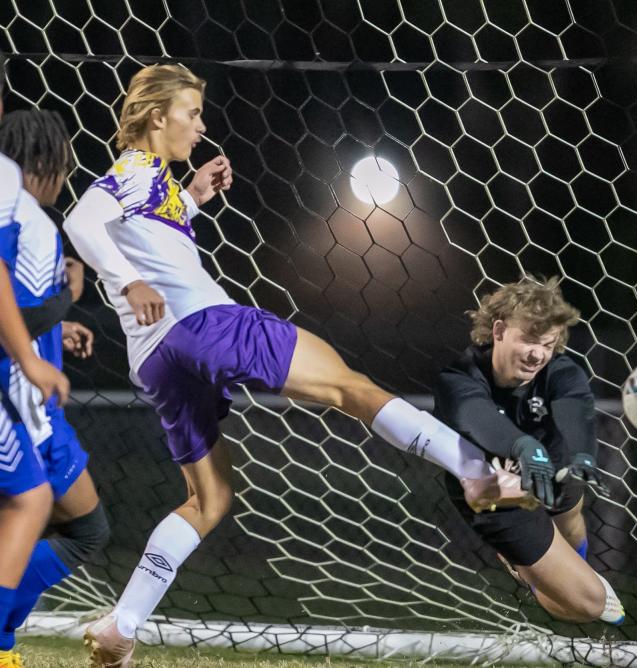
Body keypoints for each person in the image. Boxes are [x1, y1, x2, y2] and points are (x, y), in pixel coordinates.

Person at [62, 64, 535, 667]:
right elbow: (83, 220)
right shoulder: (135, 170)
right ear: (157, 117)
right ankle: (477, 473)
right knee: (350, 386)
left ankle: (122, 625)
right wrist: (128, 282)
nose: (200, 128)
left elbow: (149, 238)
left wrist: (194, 200)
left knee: (207, 500)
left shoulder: (155, 183)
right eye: (191, 114)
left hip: (155, 360)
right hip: (207, 327)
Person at [434, 277, 625, 625]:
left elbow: (575, 405)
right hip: (495, 492)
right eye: (530, 340)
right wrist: (523, 445)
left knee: (569, 512)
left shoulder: (560, 371)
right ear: (499, 330)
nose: (538, 354)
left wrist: (583, 454)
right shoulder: (459, 376)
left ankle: (562, 566)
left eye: (548, 345)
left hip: (553, 472)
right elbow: (474, 414)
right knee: (586, 604)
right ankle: (536, 576)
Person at [0, 109, 111, 661]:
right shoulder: (27, 220)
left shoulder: (28, 220)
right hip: (18, 402)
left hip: (32, 400)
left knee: (72, 525)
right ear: (41, 162)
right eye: (62, 165)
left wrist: (56, 327)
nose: (66, 177)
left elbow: (17, 313)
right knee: (63, 521)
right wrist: (68, 294)